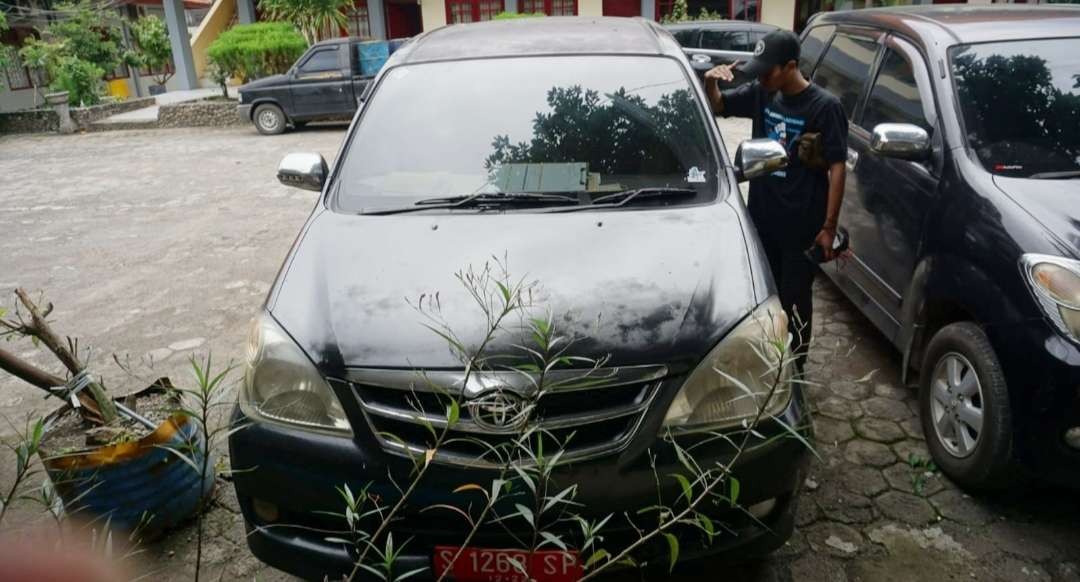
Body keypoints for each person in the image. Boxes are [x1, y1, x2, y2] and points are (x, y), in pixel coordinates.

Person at [705, 29, 847, 369]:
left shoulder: (825, 107)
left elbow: (839, 169)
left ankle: (794, 374)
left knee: (796, 305)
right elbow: (719, 105)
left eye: (768, 71)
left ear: (791, 66)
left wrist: (829, 228)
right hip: (763, 220)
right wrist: (711, 81)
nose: (762, 78)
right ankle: (767, 368)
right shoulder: (761, 93)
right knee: (765, 302)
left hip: (802, 227)